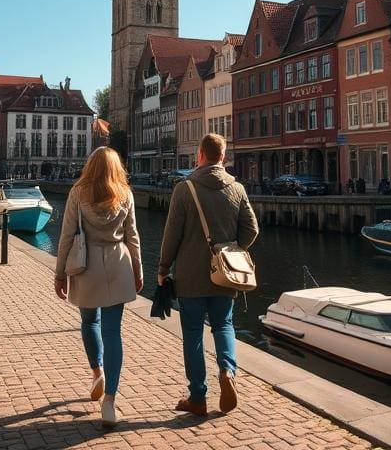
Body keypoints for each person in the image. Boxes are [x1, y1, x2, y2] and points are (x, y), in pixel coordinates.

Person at [157, 133, 259, 417]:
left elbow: (171, 235)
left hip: (190, 277)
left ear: (199, 155)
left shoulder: (184, 188)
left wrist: (163, 268)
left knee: (193, 334)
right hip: (225, 274)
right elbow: (252, 230)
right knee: (224, 325)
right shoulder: (237, 188)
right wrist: (232, 250)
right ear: (223, 157)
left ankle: (198, 397)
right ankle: (227, 370)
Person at [54, 147, 143, 429]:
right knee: (113, 332)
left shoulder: (78, 193)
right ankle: (110, 401)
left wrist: (59, 274)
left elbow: (67, 234)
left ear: (90, 166)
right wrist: (138, 271)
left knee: (89, 321)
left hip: (86, 264)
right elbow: (133, 236)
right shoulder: (124, 193)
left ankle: (97, 371)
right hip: (118, 263)